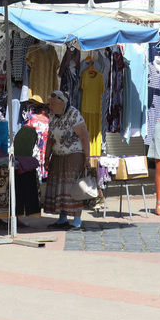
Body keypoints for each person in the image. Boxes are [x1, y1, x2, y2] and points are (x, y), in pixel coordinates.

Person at [41, 89, 91, 230]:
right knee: (58, 187)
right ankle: (62, 219)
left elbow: (84, 137)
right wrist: (46, 158)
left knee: (73, 187)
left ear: (62, 103)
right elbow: (50, 138)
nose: (50, 107)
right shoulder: (53, 115)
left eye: (52, 104)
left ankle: (77, 220)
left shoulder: (73, 114)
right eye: (50, 104)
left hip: (74, 155)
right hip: (58, 155)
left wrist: (87, 157)